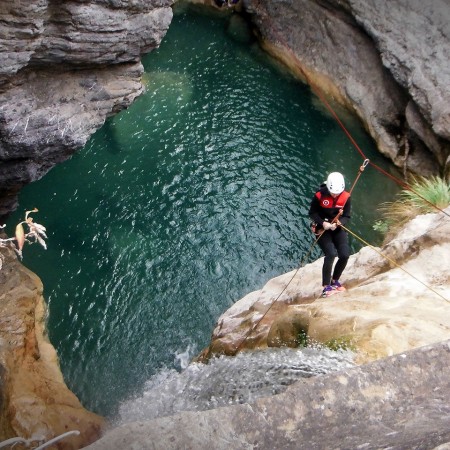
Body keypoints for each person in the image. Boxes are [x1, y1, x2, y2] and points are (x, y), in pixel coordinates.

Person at [308, 172, 351, 298]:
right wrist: (323, 223)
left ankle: (335, 280)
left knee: (344, 255)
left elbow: (347, 216)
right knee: (331, 254)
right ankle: (326, 286)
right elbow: (312, 213)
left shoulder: (346, 197)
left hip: (336, 228)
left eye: (337, 193)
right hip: (322, 229)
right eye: (333, 192)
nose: (335, 195)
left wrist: (339, 223)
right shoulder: (319, 195)